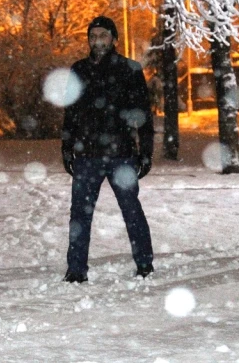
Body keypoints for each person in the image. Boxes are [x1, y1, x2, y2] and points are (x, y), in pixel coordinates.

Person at [61, 16, 154, 283]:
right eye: (93, 37)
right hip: (86, 155)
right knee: (79, 215)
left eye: (102, 36)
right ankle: (76, 270)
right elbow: (71, 113)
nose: (97, 41)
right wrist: (67, 148)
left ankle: (145, 264)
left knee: (131, 210)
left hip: (122, 154)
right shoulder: (78, 70)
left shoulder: (130, 70)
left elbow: (143, 116)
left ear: (114, 39)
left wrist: (145, 152)